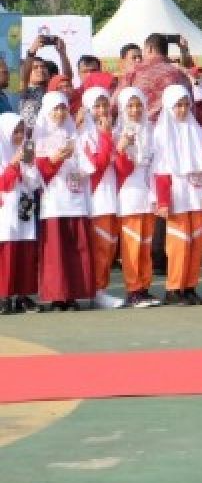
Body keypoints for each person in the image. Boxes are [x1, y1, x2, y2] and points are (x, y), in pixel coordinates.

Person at [153, 85, 202, 306]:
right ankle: (173, 288)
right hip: (176, 194)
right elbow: (159, 170)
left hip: (196, 193)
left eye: (186, 104)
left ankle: (190, 286)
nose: (182, 109)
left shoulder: (195, 129)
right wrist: (162, 200)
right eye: (178, 105)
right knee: (178, 244)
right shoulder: (161, 132)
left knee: (196, 243)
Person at [33, 91, 93, 310]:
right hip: (53, 202)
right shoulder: (38, 137)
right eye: (55, 109)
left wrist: (79, 171)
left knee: (75, 248)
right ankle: (58, 296)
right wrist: (56, 159)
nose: (59, 113)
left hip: (74, 199)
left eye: (63, 108)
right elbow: (34, 172)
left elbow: (85, 164)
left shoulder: (72, 134)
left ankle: (74, 294)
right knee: (56, 252)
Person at [114, 88, 158, 308]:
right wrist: (122, 148)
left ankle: (145, 287)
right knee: (131, 245)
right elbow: (120, 170)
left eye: (138, 105)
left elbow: (156, 164)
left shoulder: (151, 131)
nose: (134, 110)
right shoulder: (117, 133)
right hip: (129, 195)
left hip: (148, 195)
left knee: (145, 245)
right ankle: (133, 290)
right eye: (130, 106)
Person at [79, 87, 119, 307]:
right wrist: (106, 136)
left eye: (105, 105)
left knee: (110, 248)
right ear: (88, 109)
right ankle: (97, 291)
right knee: (100, 249)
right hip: (96, 200)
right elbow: (96, 165)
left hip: (113, 198)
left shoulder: (113, 130)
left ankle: (101, 289)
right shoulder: (84, 136)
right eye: (97, 106)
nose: (102, 110)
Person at [0, 113, 41, 314]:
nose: (18, 136)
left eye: (21, 131)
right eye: (15, 132)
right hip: (6, 211)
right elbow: (4, 184)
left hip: (24, 208)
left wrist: (30, 165)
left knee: (25, 252)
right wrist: (14, 164)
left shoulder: (24, 151)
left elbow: (34, 183)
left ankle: (23, 296)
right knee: (7, 254)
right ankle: (4, 296)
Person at [123, 34, 190, 121]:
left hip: (141, 129)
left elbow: (116, 103)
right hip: (171, 130)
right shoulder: (180, 74)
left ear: (150, 49)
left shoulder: (133, 72)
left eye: (143, 50)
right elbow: (189, 107)